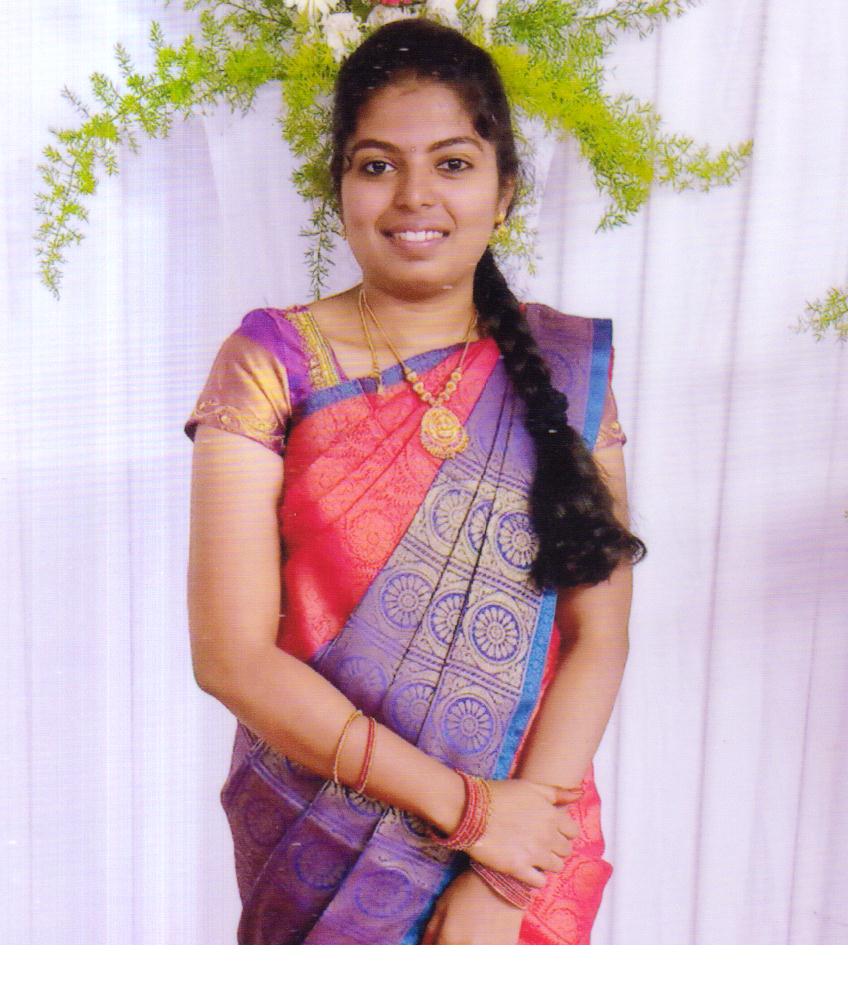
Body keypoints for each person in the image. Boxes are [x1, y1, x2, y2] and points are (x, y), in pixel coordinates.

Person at [183, 17, 644, 945]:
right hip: (325, 838)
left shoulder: (564, 370)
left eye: (454, 164)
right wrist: (472, 816)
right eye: (377, 165)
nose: (414, 196)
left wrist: (504, 877)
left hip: (528, 845)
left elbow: (598, 636)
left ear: (504, 193)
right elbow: (231, 657)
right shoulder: (268, 362)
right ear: (339, 188)